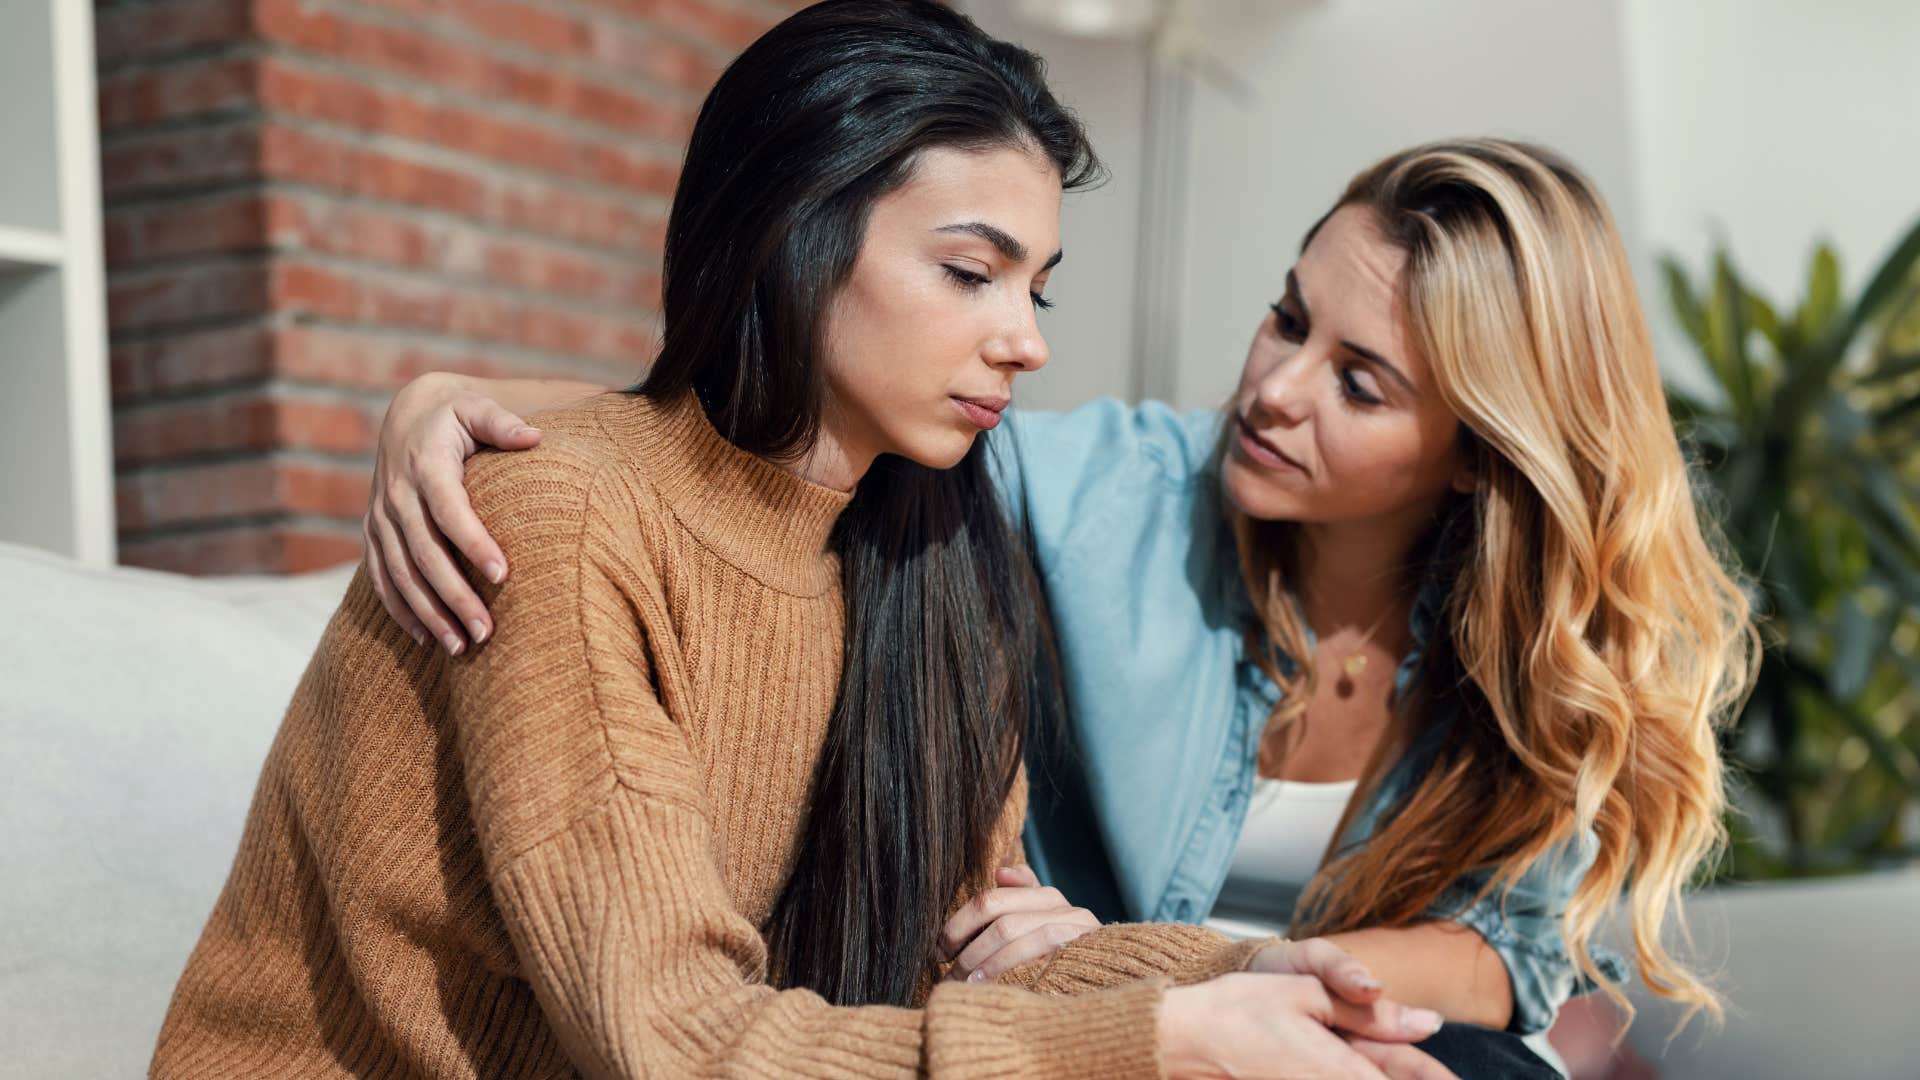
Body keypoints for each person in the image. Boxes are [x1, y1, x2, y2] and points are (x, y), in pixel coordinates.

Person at [153, 3, 1458, 1077]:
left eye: (1037, 289)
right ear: (795, 231)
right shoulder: (559, 520)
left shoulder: (931, 556)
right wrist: (1160, 1041)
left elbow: (982, 941)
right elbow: (669, 1037)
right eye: (971, 273)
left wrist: (1249, 979)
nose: (1027, 341)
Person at [371, 137, 1760, 1073]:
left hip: (1237, 1014)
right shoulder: (1108, 496)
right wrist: (460, 402)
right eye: (1288, 319)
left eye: (1361, 382)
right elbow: (788, 441)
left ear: (1474, 452)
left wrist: (1249, 978)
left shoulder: (1529, 650)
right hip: (1061, 1035)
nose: (1276, 388)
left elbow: (1509, 958)